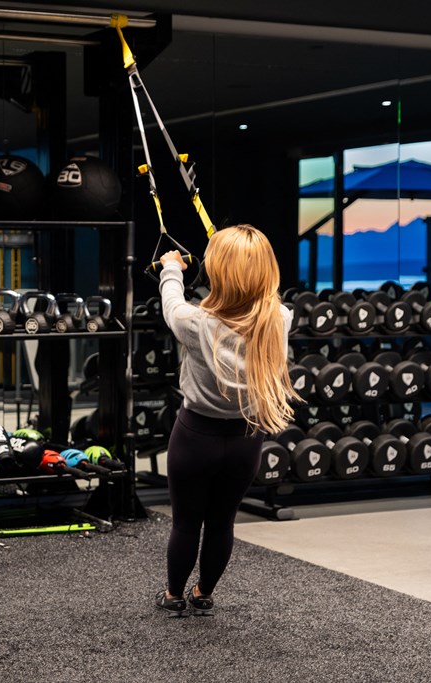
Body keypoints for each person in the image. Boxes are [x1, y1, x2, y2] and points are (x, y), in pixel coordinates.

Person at [155, 224, 297, 617]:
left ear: (218, 272)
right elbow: (261, 296)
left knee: (186, 523)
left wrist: (172, 268)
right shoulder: (280, 320)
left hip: (195, 437)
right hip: (245, 440)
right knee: (221, 522)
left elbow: (172, 302)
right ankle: (203, 593)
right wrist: (240, 257)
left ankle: (173, 595)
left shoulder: (196, 322)